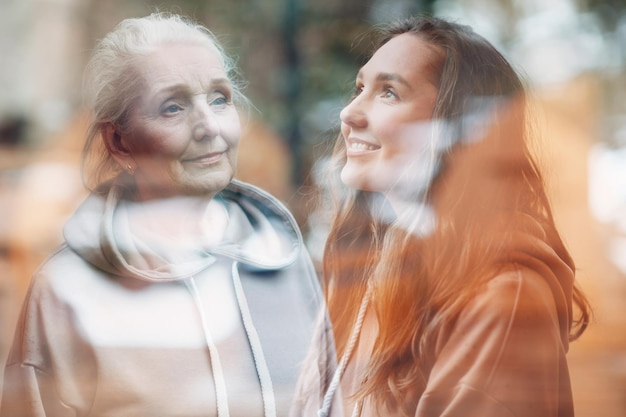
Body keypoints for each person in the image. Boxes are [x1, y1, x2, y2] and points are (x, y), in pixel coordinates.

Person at [0, 13, 322, 417]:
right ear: (119, 142)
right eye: (172, 107)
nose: (210, 126)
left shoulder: (281, 258)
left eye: (219, 98)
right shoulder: (64, 288)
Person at [291, 15, 591, 417]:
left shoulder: (504, 296)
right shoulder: (371, 271)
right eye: (360, 88)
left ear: (457, 128)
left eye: (389, 93)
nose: (348, 113)